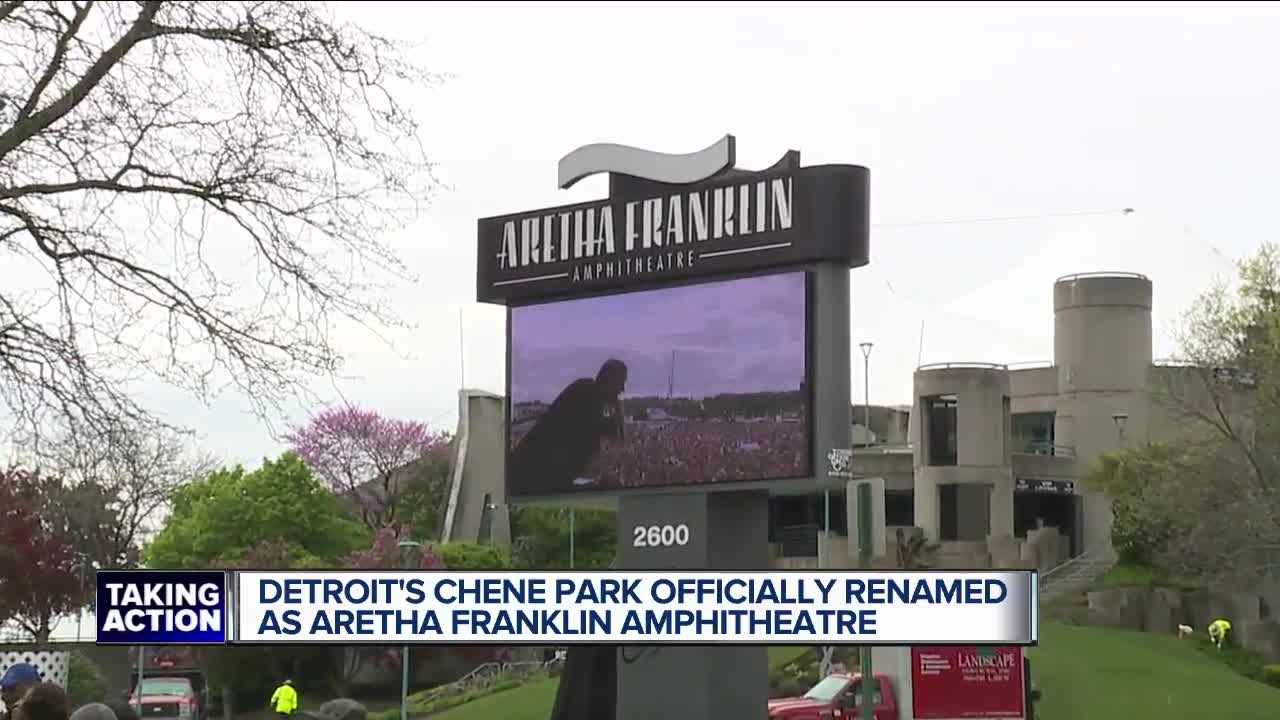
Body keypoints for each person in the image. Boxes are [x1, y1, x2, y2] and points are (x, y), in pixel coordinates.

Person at [509, 359, 628, 495]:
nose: (622, 389)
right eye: (621, 383)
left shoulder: (588, 393)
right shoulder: (585, 393)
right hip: (530, 476)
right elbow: (608, 439)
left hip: (535, 476)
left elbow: (611, 437)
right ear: (610, 380)